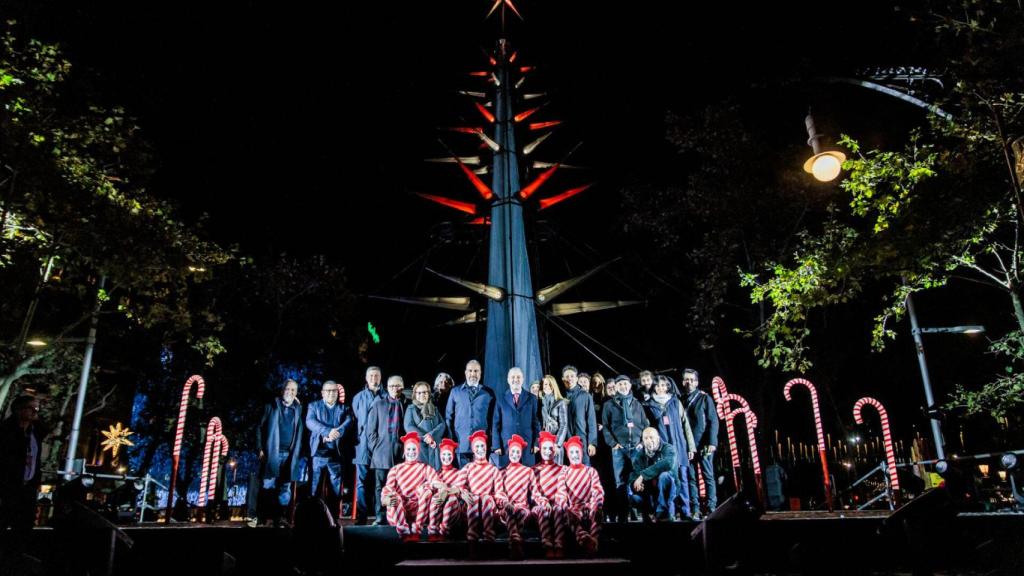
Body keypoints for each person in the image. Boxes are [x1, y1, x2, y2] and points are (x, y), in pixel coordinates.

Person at [254, 379, 304, 527]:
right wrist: (259, 449)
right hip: (271, 453)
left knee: (285, 487)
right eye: (288, 389)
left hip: (289, 454)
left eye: (293, 390)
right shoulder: (271, 406)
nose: (290, 392)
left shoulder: (298, 409)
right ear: (282, 390)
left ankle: (280, 517)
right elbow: (258, 428)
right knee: (268, 485)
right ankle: (263, 517)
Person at [645, 375, 696, 517]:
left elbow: (686, 425)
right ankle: (670, 512)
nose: (661, 388)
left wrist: (691, 447)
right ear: (654, 387)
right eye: (658, 385)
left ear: (668, 386)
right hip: (662, 450)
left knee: (683, 479)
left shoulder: (675, 402)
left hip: (679, 446)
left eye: (664, 385)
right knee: (667, 480)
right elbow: (648, 429)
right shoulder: (649, 405)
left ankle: (686, 511)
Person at [601, 375, 649, 522]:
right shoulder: (609, 405)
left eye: (625, 384)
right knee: (620, 482)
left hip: (636, 447)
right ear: (616, 387)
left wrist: (642, 441)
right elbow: (606, 427)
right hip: (619, 448)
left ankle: (644, 513)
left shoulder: (636, 404)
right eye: (620, 384)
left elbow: (644, 423)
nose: (623, 386)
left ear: (630, 385)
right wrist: (613, 444)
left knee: (639, 480)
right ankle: (623, 515)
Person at [305, 380, 353, 524]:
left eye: (334, 391)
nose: (331, 393)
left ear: (338, 393)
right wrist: (327, 432)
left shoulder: (344, 408)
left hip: (336, 454)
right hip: (318, 452)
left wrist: (337, 432)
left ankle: (333, 519)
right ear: (322, 393)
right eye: (328, 391)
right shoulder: (313, 406)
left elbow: (349, 421)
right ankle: (313, 519)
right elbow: (310, 422)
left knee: (335, 488)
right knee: (315, 487)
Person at [381, 432, 438, 541]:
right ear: (404, 451)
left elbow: (436, 481)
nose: (411, 452)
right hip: (398, 512)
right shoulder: (396, 469)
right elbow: (388, 488)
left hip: (419, 513)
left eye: (414, 449)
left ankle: (417, 529)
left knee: (427, 490)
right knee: (393, 496)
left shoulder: (425, 468)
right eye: (408, 449)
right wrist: (385, 499)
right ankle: (404, 532)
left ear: (418, 451)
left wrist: (431, 487)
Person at [0, 395, 43, 539]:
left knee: (24, 526)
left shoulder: (35, 433)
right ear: (19, 410)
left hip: (28, 487)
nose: (36, 412)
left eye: (37, 408)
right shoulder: (6, 431)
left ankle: (17, 554)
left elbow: (36, 459)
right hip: (8, 486)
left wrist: (35, 482)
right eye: (32, 408)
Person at [366, 375, 406, 524]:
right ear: (387, 388)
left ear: (402, 387)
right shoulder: (378, 404)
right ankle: (380, 515)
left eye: (397, 386)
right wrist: (375, 446)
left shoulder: (406, 403)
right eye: (392, 386)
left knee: (400, 485)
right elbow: (371, 431)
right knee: (380, 486)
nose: (395, 389)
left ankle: (397, 515)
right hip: (381, 451)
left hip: (401, 452)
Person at [683, 368, 719, 517]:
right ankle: (695, 508)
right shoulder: (680, 399)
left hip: (704, 444)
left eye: (692, 380)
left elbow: (713, 421)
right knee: (691, 477)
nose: (689, 382)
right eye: (686, 379)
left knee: (707, 475)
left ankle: (711, 506)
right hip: (687, 445)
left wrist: (712, 442)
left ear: (697, 382)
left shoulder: (705, 398)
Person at [445, 360, 495, 465]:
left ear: (480, 373)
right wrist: (452, 439)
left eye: (476, 371)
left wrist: (491, 441)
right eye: (470, 371)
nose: (473, 374)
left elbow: (493, 419)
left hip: (481, 445)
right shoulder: (455, 392)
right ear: (465, 372)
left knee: (480, 478)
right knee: (463, 477)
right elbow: (448, 417)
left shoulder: (488, 393)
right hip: (461, 443)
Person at [561, 436, 604, 555]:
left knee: (597, 512)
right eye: (571, 452)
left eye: (577, 452)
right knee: (567, 516)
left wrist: (598, 504)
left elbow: (597, 490)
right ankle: (585, 539)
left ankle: (593, 539)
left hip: (589, 506)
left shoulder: (591, 471)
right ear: (568, 454)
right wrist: (566, 509)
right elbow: (561, 493)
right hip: (574, 508)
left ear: (581, 453)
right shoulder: (564, 472)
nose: (574, 455)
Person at [352, 366, 384, 524]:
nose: (374, 378)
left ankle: (381, 515)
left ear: (380, 377)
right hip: (363, 444)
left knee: (381, 482)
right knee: (362, 482)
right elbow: (355, 420)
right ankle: (362, 515)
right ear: (366, 378)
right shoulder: (358, 397)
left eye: (376, 375)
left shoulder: (386, 396)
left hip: (381, 444)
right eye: (371, 375)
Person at [491, 367, 540, 467]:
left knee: (527, 475)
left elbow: (536, 422)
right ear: (508, 380)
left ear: (522, 379)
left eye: (518, 377)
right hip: (506, 447)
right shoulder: (500, 399)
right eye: (513, 377)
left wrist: (536, 443)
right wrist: (496, 445)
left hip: (527, 445)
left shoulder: (532, 398)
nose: (515, 380)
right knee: (508, 476)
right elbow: (496, 424)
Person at [462, 430, 501, 553]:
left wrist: (501, 503)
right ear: (473, 449)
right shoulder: (468, 467)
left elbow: (499, 492)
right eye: (477, 446)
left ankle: (489, 539)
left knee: (486, 498)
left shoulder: (493, 469)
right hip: (471, 506)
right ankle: (472, 540)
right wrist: (463, 492)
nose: (480, 449)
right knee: (473, 498)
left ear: (486, 448)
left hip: (488, 507)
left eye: (482, 446)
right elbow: (458, 486)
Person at [531, 431, 568, 559]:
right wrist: (543, 502)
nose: (548, 451)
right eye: (545, 448)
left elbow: (562, 491)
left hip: (557, 504)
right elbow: (534, 492)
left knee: (558, 509)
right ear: (540, 450)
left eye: (551, 448)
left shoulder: (562, 469)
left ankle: (558, 544)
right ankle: (547, 544)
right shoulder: (534, 470)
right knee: (543, 510)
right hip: (540, 507)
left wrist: (558, 503)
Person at [628, 427, 678, 522]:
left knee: (664, 476)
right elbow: (634, 476)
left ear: (658, 438)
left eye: (651, 437)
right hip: (649, 493)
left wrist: (643, 475)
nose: (649, 440)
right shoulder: (640, 455)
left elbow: (668, 463)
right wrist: (636, 485)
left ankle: (662, 512)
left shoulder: (668, 448)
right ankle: (648, 513)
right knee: (633, 498)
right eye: (645, 438)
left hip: (666, 492)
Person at [496, 434, 532, 560]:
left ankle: (514, 541)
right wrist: (506, 503)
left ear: (521, 454)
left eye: (518, 452)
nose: (515, 454)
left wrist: (543, 502)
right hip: (506, 508)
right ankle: (516, 542)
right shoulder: (502, 472)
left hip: (522, 508)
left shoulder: (528, 471)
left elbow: (536, 492)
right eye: (513, 451)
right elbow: (499, 493)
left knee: (520, 513)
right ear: (508, 452)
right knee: (509, 513)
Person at [427, 438, 466, 540]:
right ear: (440, 456)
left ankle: (444, 531)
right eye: (444, 455)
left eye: (449, 455)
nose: (446, 457)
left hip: (454, 513)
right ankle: (433, 530)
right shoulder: (437, 474)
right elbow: (429, 487)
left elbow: (460, 490)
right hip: (438, 512)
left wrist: (447, 492)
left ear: (453, 456)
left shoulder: (458, 473)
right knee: (435, 496)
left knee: (452, 498)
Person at [405, 381, 446, 470]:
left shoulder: (434, 409)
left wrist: (431, 435)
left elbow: (442, 424)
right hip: (419, 447)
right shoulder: (411, 409)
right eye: (419, 393)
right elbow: (409, 426)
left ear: (429, 394)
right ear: (415, 394)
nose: (422, 395)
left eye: (425, 392)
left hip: (434, 446)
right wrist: (425, 438)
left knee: (434, 473)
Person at [563, 365, 598, 465]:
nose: (569, 378)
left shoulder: (585, 396)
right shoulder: (560, 396)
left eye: (572, 376)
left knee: (584, 469)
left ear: (576, 378)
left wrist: (592, 442)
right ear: (563, 379)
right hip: (566, 441)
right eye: (567, 376)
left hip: (582, 440)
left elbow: (591, 421)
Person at [539, 375, 569, 464]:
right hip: (544, 441)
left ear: (553, 386)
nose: (546, 386)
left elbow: (564, 424)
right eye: (545, 384)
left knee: (557, 469)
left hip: (555, 441)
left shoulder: (560, 402)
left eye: (549, 384)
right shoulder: (541, 402)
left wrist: (557, 444)